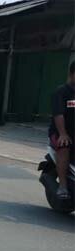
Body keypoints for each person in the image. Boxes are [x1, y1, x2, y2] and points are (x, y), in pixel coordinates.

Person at [48, 61, 75, 200]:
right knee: (64, 146)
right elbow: (58, 114)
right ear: (71, 74)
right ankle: (63, 186)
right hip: (59, 132)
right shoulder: (61, 92)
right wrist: (63, 133)